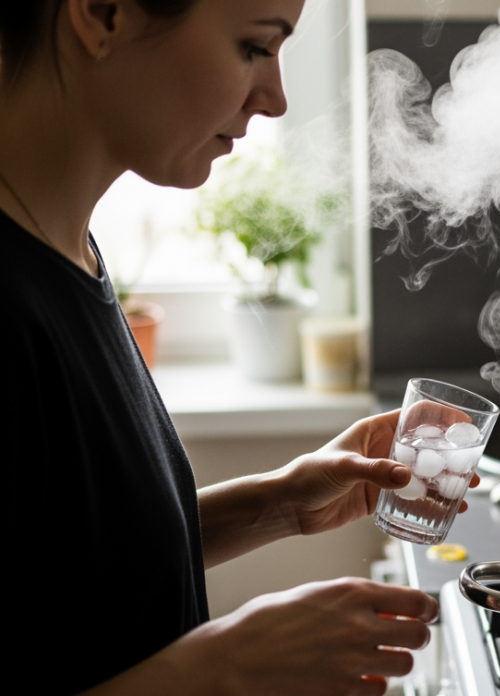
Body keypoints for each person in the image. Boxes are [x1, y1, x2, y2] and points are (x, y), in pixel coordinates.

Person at [0, 1, 474, 694]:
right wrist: (223, 666)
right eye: (255, 47)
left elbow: (71, 564)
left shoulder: (65, 248)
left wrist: (281, 504)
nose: (276, 100)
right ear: (103, 14)